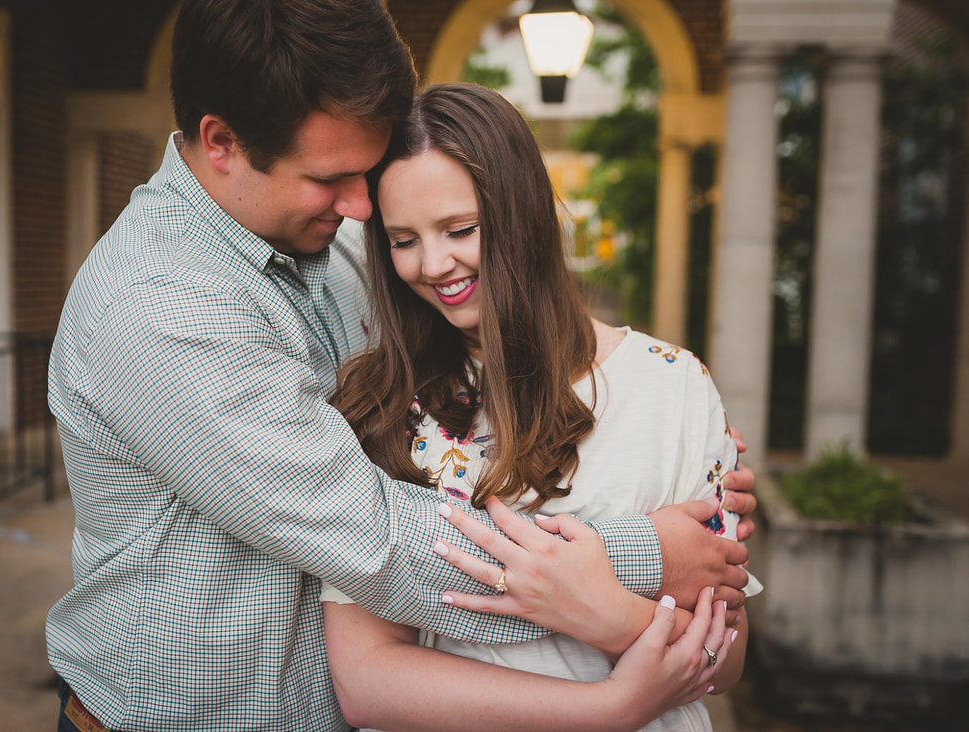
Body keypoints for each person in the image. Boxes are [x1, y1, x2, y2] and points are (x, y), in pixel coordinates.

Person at [46, 1, 756, 730]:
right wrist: (652, 553)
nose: (362, 209)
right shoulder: (159, 304)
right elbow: (381, 540)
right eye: (331, 177)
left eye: (368, 176)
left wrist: (681, 451)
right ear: (221, 142)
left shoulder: (344, 238)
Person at [322, 83, 762, 731]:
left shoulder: (675, 385)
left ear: (521, 213)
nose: (434, 264)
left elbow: (728, 659)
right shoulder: (383, 404)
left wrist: (604, 614)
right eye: (403, 240)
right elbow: (367, 679)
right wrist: (608, 694)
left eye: (460, 229)